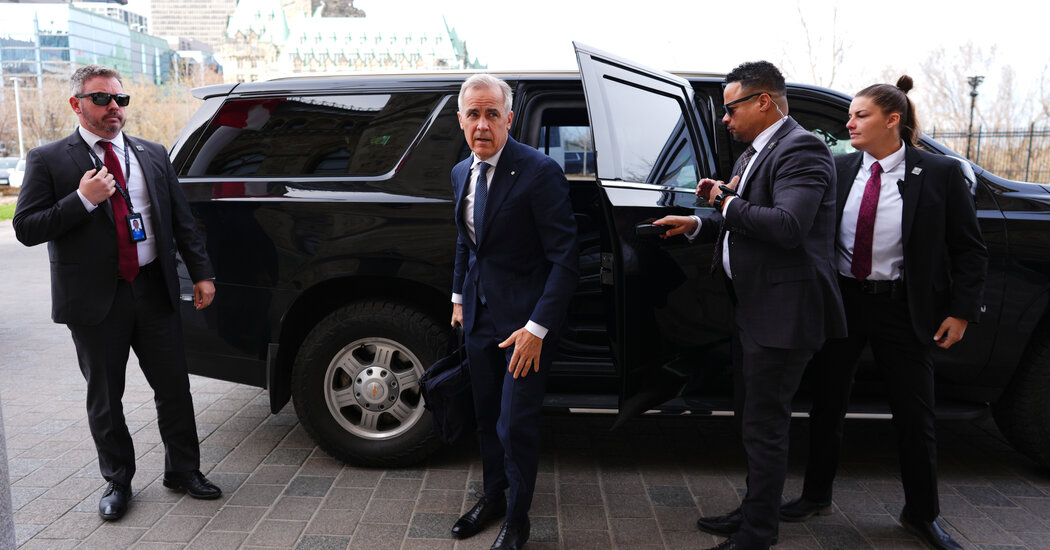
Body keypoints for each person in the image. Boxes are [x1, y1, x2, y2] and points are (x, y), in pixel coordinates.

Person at [779, 77, 987, 550]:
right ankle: (815, 495)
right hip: (842, 301)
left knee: (915, 415)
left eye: (861, 115)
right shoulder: (838, 167)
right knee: (826, 402)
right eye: (850, 115)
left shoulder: (940, 173)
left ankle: (921, 515)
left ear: (893, 120)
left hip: (903, 308)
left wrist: (962, 313)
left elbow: (969, 250)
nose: (849, 123)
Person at [13, 65, 221, 522]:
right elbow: (26, 227)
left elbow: (181, 220)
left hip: (152, 288)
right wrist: (83, 199)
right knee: (106, 397)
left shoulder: (152, 153)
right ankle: (118, 480)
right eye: (102, 99)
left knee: (174, 387)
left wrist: (201, 273)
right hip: (95, 300)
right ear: (76, 104)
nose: (114, 107)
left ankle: (184, 471)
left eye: (120, 99)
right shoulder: (48, 159)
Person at [654, 61, 846, 550]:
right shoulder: (754, 152)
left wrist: (724, 202)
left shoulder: (802, 148)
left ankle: (758, 534)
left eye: (731, 108)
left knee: (764, 427)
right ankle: (754, 509)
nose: (725, 118)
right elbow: (746, 221)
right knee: (752, 421)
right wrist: (699, 223)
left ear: (764, 102)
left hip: (783, 312)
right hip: (753, 308)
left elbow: (787, 226)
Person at [448, 74, 578, 550]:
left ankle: (518, 520)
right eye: (473, 114)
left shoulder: (539, 171)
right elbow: (467, 242)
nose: (482, 125)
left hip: (525, 328)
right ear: (460, 120)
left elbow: (565, 259)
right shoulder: (461, 172)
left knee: (514, 424)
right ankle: (493, 497)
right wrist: (458, 298)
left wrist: (537, 329)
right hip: (479, 318)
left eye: (492, 114)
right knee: (485, 417)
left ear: (509, 118)